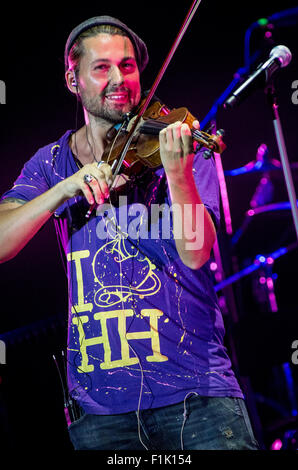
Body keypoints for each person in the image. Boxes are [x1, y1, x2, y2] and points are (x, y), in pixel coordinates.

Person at [0, 16, 260, 450]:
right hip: (101, 413)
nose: (119, 78)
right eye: (101, 67)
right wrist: (65, 188)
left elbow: (197, 253)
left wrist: (178, 174)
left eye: (127, 66)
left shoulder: (183, 151)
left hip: (199, 399)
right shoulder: (49, 164)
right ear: (73, 79)